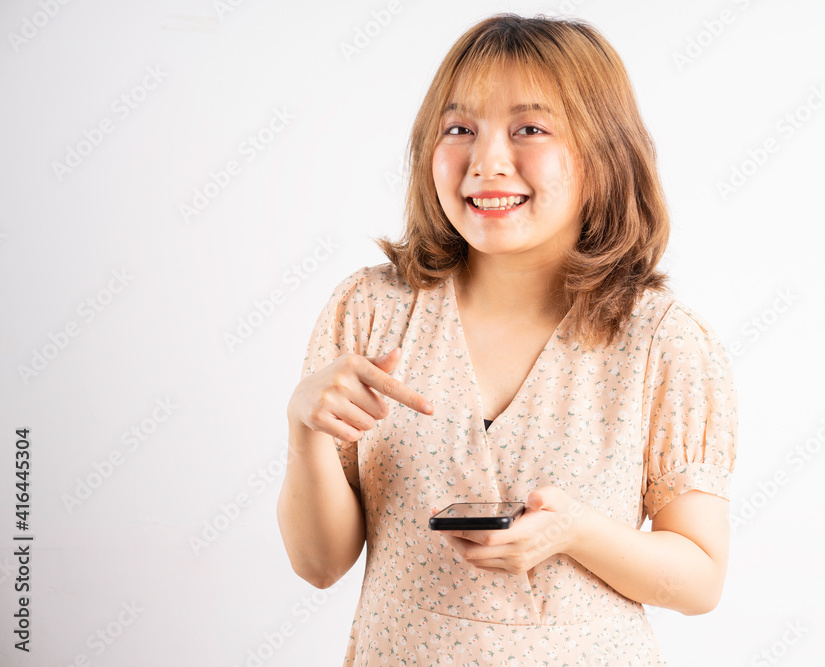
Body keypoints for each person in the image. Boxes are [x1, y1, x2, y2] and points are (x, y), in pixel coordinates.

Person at [277, 12, 738, 666]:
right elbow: (319, 565)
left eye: (530, 129)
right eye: (459, 129)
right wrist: (306, 434)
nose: (487, 161)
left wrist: (574, 532)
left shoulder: (662, 340)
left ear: (604, 155)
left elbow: (700, 578)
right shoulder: (372, 311)